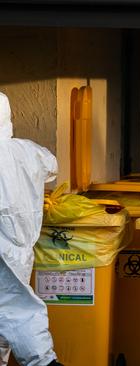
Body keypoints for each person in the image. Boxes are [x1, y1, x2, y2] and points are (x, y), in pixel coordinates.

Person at [0, 92, 62, 366]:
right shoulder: (28, 151)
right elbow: (52, 167)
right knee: (10, 312)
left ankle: (44, 363)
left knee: (16, 310)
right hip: (21, 248)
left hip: (2, 249)